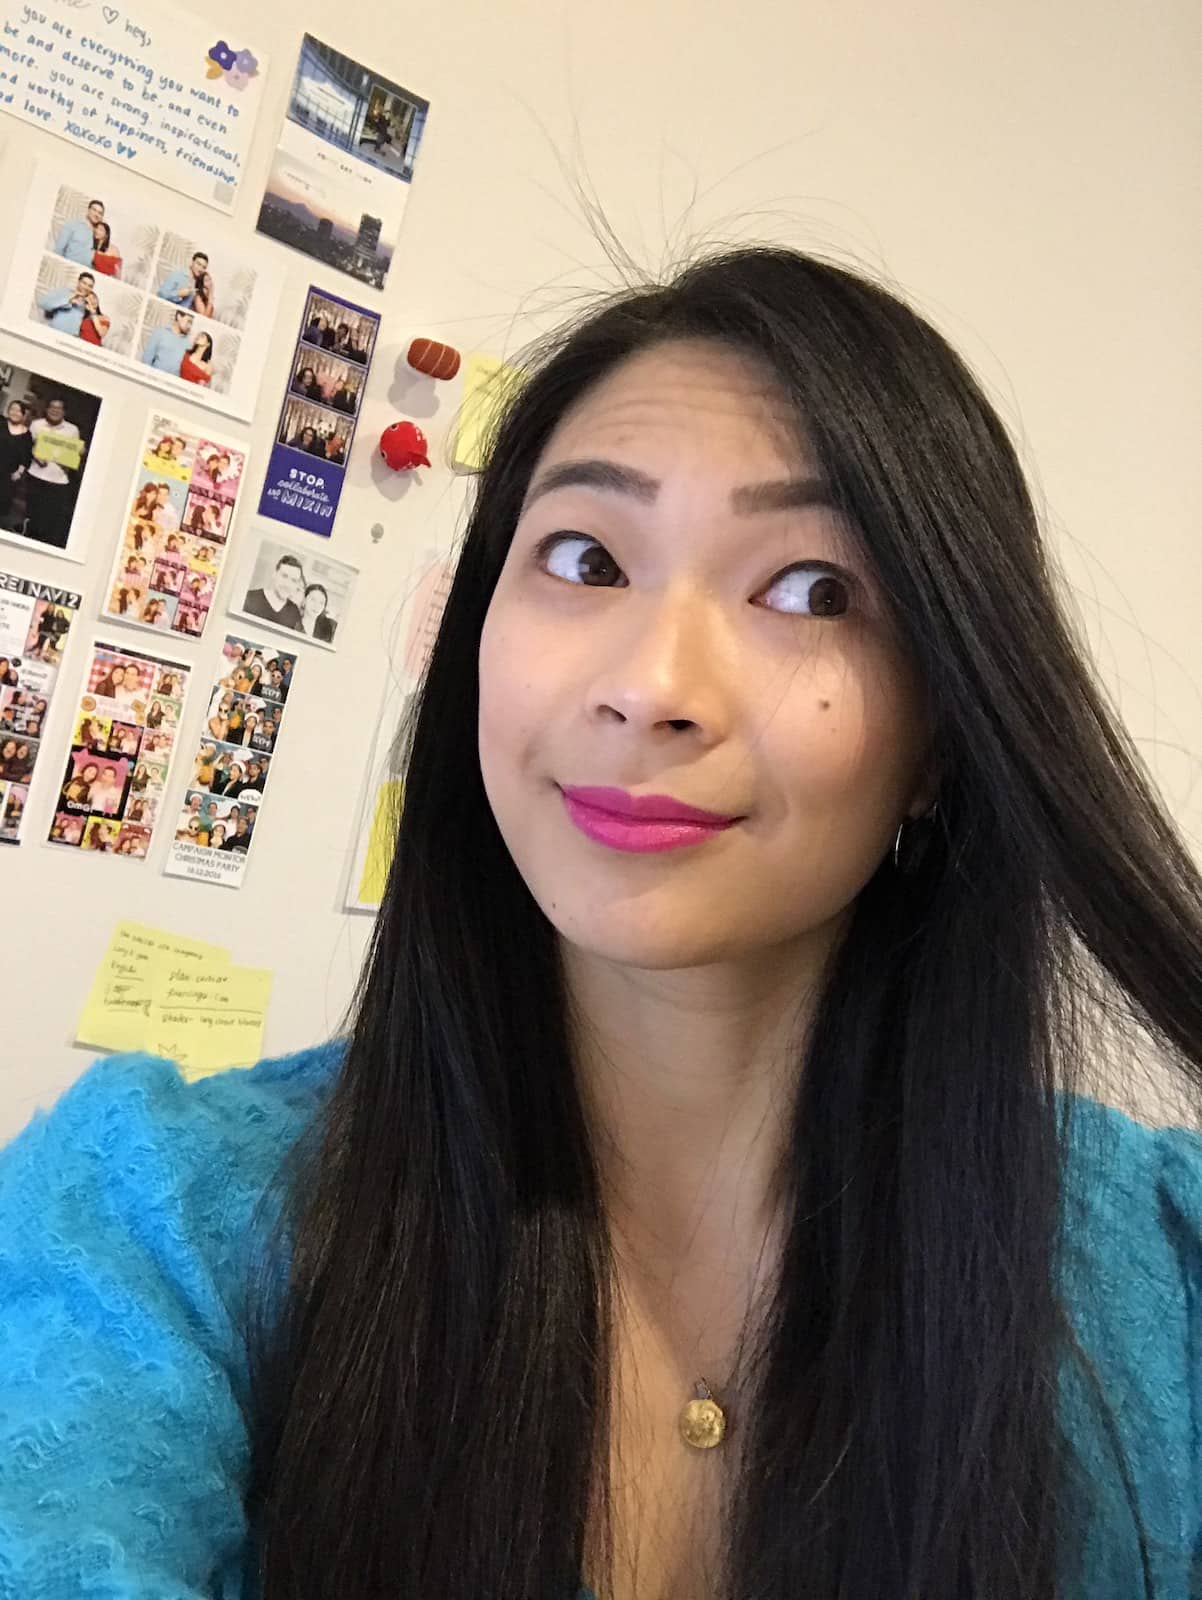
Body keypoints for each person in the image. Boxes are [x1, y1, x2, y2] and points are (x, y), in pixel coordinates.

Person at [4, 247, 1202, 1600]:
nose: (650, 687)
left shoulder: (1166, 1271)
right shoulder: (146, 1228)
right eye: (584, 558)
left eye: (810, 588)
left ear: (944, 732)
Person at [25, 397, 84, 549]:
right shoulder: (37, 425)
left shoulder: (72, 430)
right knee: (33, 516)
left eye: (58, 408)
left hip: (59, 480)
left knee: (50, 519)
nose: (54, 410)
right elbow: (27, 445)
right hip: (36, 475)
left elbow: (75, 452)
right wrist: (35, 454)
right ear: (47, 409)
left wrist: (78, 452)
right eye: (52, 407)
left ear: (64, 411)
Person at [243, 553, 304, 630]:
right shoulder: (249, 598)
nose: (287, 584)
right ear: (274, 574)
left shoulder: (294, 612)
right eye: (284, 576)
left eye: (294, 580)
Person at [38, 272, 98, 337]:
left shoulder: (90, 302)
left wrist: (92, 311)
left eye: (90, 286)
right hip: (54, 332)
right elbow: (42, 303)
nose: (86, 287)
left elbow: (91, 328)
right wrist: (70, 299)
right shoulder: (64, 291)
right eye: (84, 283)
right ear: (78, 282)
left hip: (72, 339)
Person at [0, 400, 32, 521]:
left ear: (23, 414)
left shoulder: (27, 434)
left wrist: (19, 472)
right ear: (8, 411)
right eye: (12, 409)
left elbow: (26, 457)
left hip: (10, 476)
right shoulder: (1, 424)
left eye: (18, 410)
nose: (15, 412)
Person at [55, 198, 105, 265]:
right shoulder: (73, 224)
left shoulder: (99, 234)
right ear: (88, 210)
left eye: (100, 213)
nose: (96, 214)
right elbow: (58, 249)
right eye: (94, 210)